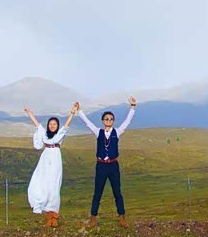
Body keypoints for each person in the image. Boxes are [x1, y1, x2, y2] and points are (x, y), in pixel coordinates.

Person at [75, 97, 137, 227]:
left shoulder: (117, 132)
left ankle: (122, 217)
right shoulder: (98, 132)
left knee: (117, 192)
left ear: (113, 121)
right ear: (103, 121)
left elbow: (127, 122)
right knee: (98, 192)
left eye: (111, 119)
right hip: (101, 166)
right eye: (106, 119)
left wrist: (132, 107)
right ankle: (93, 218)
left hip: (113, 165)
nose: (109, 120)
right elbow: (87, 122)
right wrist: (79, 111)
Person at [24, 103, 76, 228]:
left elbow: (66, 126)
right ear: (48, 125)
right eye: (51, 124)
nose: (52, 126)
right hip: (45, 159)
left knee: (54, 186)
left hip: (55, 158)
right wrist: (29, 113)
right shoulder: (45, 134)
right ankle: (48, 216)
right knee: (42, 183)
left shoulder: (59, 135)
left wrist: (72, 113)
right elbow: (37, 124)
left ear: (57, 126)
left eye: (55, 124)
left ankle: (54, 216)